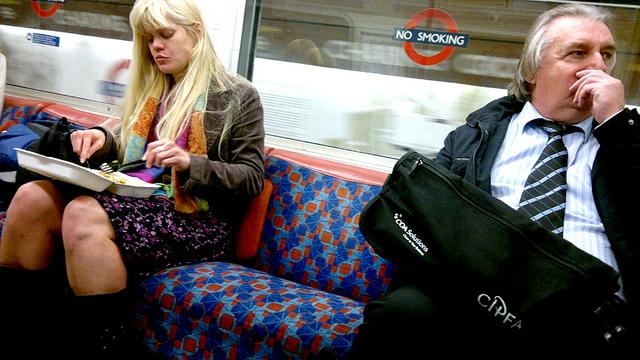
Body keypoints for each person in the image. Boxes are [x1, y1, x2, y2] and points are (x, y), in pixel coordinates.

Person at [349, 3, 638, 357]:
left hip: (583, 311)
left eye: (606, 55)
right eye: (578, 53)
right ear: (533, 70)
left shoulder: (624, 141)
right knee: (399, 316)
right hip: (475, 290)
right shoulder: (475, 136)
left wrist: (617, 128)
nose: (598, 67)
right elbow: (429, 221)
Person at [0, 0, 264, 357]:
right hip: (139, 200)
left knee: (82, 212)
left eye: (165, 35)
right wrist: (101, 139)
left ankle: (107, 342)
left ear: (196, 33)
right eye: (148, 38)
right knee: (32, 197)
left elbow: (250, 179)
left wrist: (189, 163)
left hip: (194, 216)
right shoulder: (153, 86)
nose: (155, 46)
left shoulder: (237, 95)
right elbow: (132, 155)